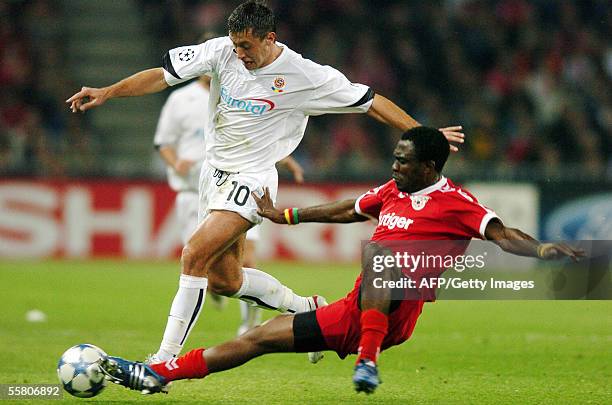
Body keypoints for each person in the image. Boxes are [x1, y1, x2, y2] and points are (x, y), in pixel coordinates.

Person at [67, 0, 465, 365]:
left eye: (246, 46)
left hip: (252, 180)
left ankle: (163, 360)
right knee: (225, 281)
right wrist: (108, 92)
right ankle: (305, 307)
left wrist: (424, 132)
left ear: (269, 38)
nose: (239, 54)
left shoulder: (305, 75)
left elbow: (370, 102)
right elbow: (162, 75)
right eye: (235, 45)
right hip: (213, 175)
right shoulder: (221, 51)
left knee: (193, 255)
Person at [98, 127, 583, 395]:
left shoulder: (457, 202)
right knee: (257, 339)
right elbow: (343, 209)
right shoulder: (393, 191)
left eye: (403, 160)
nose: (394, 166)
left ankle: (368, 363)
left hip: (398, 311)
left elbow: (502, 235)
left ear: (430, 168)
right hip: (354, 309)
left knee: (380, 255)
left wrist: (540, 249)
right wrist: (283, 215)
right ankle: (161, 374)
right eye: (394, 157)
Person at [153, 72, 304, 340]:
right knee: (218, 277)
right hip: (199, 191)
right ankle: (305, 309)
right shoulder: (181, 98)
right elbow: (163, 141)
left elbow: (256, 137)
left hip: (244, 184)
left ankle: (248, 324)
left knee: (241, 259)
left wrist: (285, 158)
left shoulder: (241, 89)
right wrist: (175, 161)